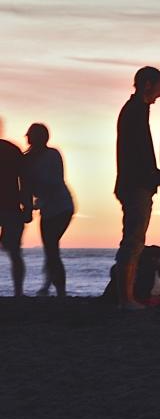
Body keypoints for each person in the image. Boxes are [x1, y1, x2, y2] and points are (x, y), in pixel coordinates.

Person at [114, 67, 160, 310]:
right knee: (133, 241)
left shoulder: (137, 111)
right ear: (147, 85)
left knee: (134, 239)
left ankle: (126, 298)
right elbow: (140, 156)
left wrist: (159, 179)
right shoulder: (134, 113)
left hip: (136, 183)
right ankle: (126, 299)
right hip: (135, 185)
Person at [24, 123, 75, 297]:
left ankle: (59, 289)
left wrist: (34, 203)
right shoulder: (29, 158)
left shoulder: (51, 155)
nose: (26, 137)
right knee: (50, 248)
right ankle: (48, 285)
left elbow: (52, 182)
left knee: (51, 248)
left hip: (61, 207)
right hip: (48, 208)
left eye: (30, 135)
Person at [0, 118, 32, 296]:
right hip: (12, 207)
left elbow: (24, 180)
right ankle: (18, 292)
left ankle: (19, 291)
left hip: (11, 206)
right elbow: (25, 181)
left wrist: (27, 206)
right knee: (14, 252)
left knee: (14, 251)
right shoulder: (13, 150)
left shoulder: (12, 150)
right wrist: (26, 206)